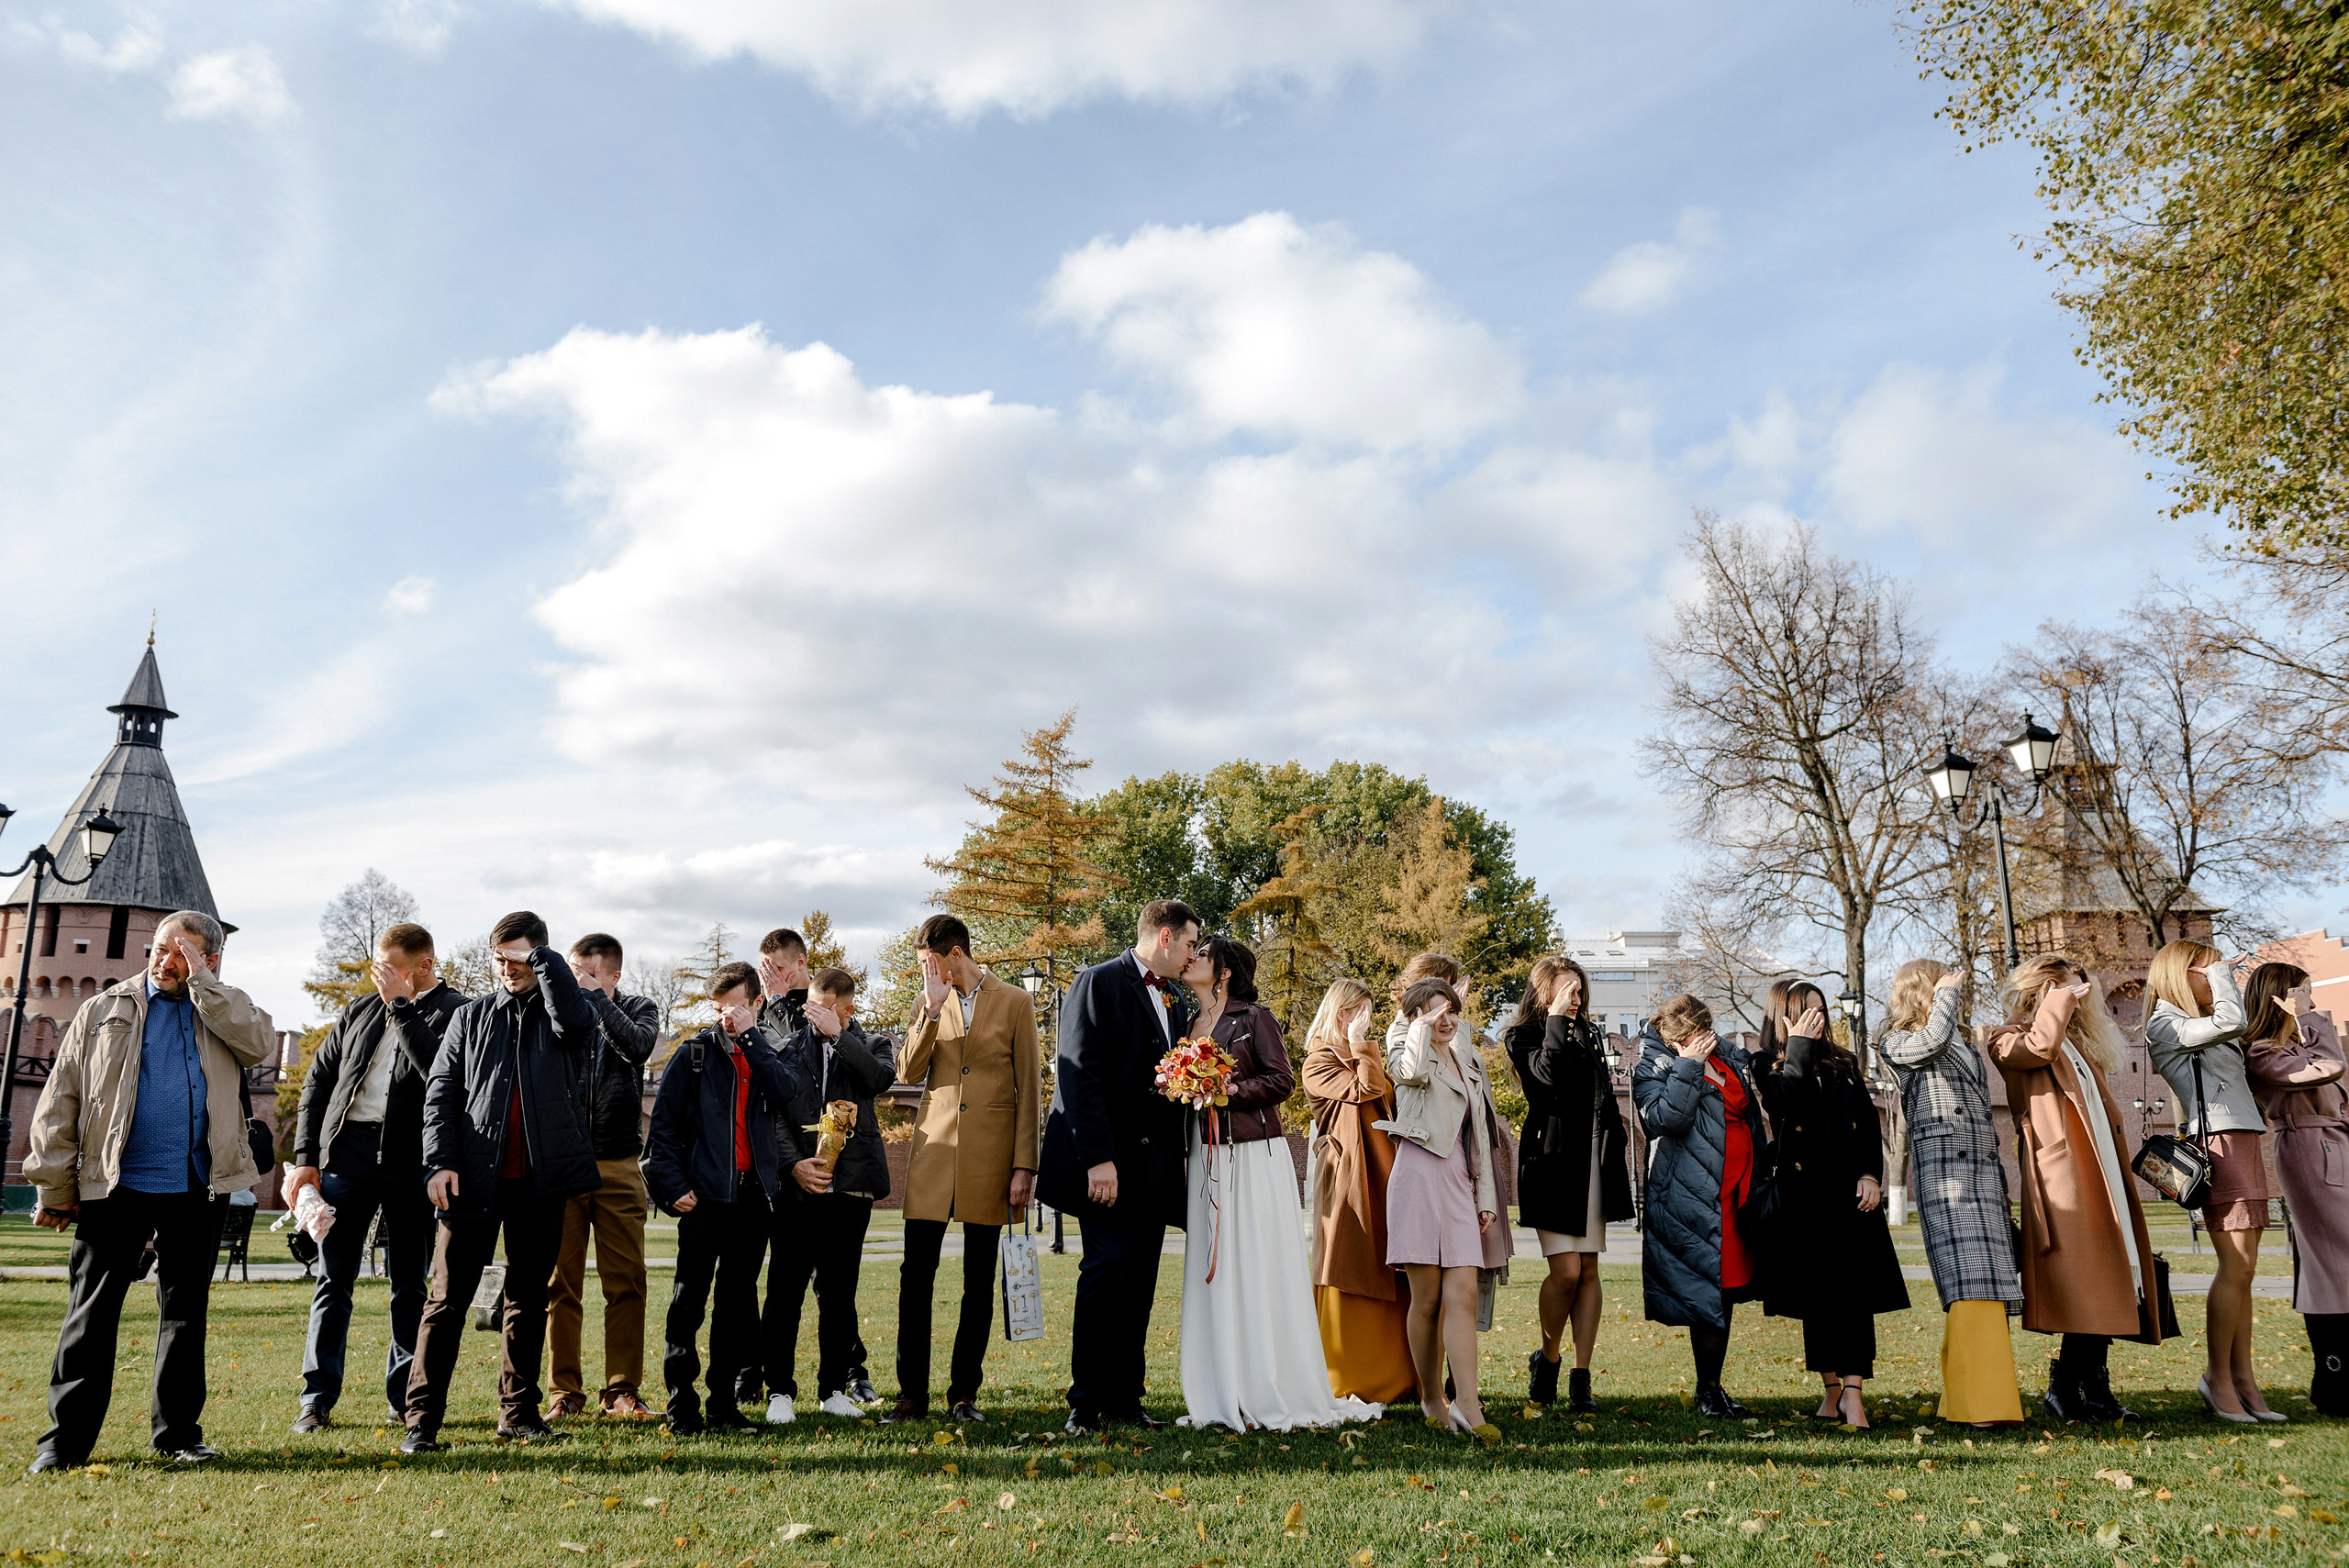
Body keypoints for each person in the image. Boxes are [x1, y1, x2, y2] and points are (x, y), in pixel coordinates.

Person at [23, 912, 275, 1472]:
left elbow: (259, 1044)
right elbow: (62, 1100)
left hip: (198, 1185)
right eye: (161, 948)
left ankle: (178, 1435)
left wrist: (205, 986)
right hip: (115, 1184)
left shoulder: (224, 1010)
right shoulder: (102, 1009)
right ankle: (64, 1443)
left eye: (183, 953)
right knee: (90, 1314)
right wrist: (54, 1185)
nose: (167, 961)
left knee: (185, 1314)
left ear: (210, 960)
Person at [399, 911, 600, 1453]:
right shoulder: (470, 1017)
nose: (508, 968)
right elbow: (441, 1091)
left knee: (528, 1300)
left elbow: (575, 1021)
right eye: (499, 959)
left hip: (542, 1182)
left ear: (542, 957)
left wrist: (543, 962)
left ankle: (518, 1415)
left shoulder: (566, 1013)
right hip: (470, 1179)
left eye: (519, 958)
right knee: (445, 1301)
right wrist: (439, 1162)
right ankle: (421, 1423)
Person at [1174, 938, 1372, 1430]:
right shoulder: (1186, 1022)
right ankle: (1219, 1388)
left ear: (1223, 972)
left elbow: (1282, 1080)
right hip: (1205, 1154)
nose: (1191, 958)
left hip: (1253, 1154)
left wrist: (1227, 1088)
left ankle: (1268, 1381)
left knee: (1255, 1261)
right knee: (1214, 1265)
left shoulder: (1254, 1018)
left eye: (1202, 954)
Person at [284, 921, 469, 1434]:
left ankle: (406, 1398)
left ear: (424, 967)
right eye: (377, 968)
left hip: (413, 1160)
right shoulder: (359, 1010)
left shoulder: (459, 1013)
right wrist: (307, 1157)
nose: (379, 978)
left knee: (409, 1284)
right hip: (349, 1155)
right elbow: (318, 1083)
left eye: (391, 970)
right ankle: (316, 1399)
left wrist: (402, 1007)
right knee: (332, 1279)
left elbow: (444, 1077)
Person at [1040, 899, 1199, 1432]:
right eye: (1189, 943)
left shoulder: (1174, 998)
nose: (1192, 954)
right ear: (1164, 937)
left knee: (1139, 1283)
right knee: (1104, 1273)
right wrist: (1099, 1160)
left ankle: (1126, 1400)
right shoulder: (1096, 982)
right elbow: (1077, 1075)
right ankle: (1084, 1404)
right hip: (1106, 1168)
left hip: (1153, 1172)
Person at [1989, 955, 2166, 1423]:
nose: (2083, 996)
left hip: (2101, 1166)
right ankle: (2070, 1388)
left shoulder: (2077, 1044)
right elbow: (2038, 1048)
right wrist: (2059, 1001)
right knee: (2088, 1277)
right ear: (2046, 988)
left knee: (2107, 1274)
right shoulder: (2007, 1037)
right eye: (2074, 987)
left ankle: (2085, 1389)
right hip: (2064, 1177)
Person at [888, 914, 1041, 1424]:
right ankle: (911, 1394)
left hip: (991, 1160)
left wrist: (1025, 1165)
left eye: (929, 963)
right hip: (933, 1158)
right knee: (916, 1276)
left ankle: (963, 1395)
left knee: (979, 1281)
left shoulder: (1016, 1002)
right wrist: (931, 1010)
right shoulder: (928, 1001)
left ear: (955, 954)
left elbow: (1030, 1088)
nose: (925, 973)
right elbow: (908, 1071)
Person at [642, 962, 800, 1435]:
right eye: (718, 1010)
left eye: (735, 1008)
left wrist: (752, 1039)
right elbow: (662, 1131)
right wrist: (672, 1187)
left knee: (734, 1308)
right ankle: (681, 1406)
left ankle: (723, 1406)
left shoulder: (770, 1052)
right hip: (703, 1200)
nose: (725, 1018)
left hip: (753, 1202)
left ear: (757, 1003)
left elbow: (787, 1092)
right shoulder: (692, 1055)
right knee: (688, 1303)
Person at [1752, 979, 1909, 1430]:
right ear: (1784, 1016)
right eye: (1807, 1010)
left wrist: (1871, 1174)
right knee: (1818, 1299)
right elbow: (1786, 1102)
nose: (1818, 1018)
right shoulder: (1765, 1064)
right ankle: (1832, 1389)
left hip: (1850, 1195)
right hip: (1803, 1201)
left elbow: (1866, 1123)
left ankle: (1854, 1394)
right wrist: (1798, 1046)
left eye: (1821, 1010)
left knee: (1855, 1296)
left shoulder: (1844, 1062)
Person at [1879, 959, 2024, 1427]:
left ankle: (1976, 1399)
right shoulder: (1895, 1040)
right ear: (1923, 989)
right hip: (1948, 1179)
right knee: (1968, 1284)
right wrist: (1945, 995)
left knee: (1989, 1287)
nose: (1953, 987)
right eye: (1941, 982)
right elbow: (1930, 1042)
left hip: (1983, 1175)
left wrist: (2001, 1184)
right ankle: (1980, 1404)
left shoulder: (1962, 1041)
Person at [752, 965, 896, 1423]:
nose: (811, 1015)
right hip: (797, 1189)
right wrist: (792, 1164)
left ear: (846, 1009)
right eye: (810, 1007)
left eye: (823, 1009)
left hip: (850, 1189)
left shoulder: (872, 1045)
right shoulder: (786, 1049)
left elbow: (879, 1080)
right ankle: (779, 1391)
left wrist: (840, 1036)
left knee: (839, 1293)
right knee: (784, 1292)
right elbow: (772, 1112)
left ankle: (833, 1389)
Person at [2143, 939, 2274, 1420]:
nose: (2220, 979)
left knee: (2246, 1269)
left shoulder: (2195, 1021)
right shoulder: (2165, 1023)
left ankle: (2244, 1380)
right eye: (2210, 971)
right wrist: (2221, 972)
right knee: (2235, 1266)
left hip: (2242, 1136)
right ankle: (2218, 1377)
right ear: (2183, 974)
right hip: (2215, 1141)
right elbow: (2232, 1021)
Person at [1379, 974, 1513, 1440]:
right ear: (1416, 1016)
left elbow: (1480, 1132)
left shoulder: (1466, 1057)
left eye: (1452, 1010)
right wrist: (1420, 1025)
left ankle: (1468, 1403)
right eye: (1436, 1012)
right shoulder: (1403, 1046)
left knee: (1463, 1293)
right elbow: (1409, 1072)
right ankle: (1431, 1397)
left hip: (1459, 1181)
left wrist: (1487, 1198)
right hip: (1417, 1177)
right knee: (1428, 1298)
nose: (1447, 1019)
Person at [1503, 955, 1632, 1413]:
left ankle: (1581, 1377)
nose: (1575, 998)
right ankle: (1549, 1358)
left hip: (1595, 1162)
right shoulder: (1521, 1036)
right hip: (1553, 1164)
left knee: (1590, 1270)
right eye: (1566, 990)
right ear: (1544, 993)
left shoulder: (1588, 1034)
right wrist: (1557, 1020)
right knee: (1567, 1273)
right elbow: (1546, 1079)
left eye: (1579, 991)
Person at [543, 932, 662, 1422]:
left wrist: (597, 999)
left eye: (589, 973)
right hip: (565, 1162)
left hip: (618, 1161)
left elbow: (637, 1048)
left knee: (627, 1281)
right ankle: (563, 1393)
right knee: (559, 1284)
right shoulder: (554, 1011)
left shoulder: (639, 1008)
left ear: (614, 974)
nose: (577, 981)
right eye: (574, 971)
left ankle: (621, 1391)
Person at [1631, 992, 1765, 1419]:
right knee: (1707, 1289)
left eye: (1707, 1028)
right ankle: (1707, 1390)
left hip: (1737, 1194)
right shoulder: (1656, 1066)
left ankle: (1714, 1385)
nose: (1705, 1037)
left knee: (1725, 1291)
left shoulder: (1728, 1059)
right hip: (1695, 1197)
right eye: (1695, 1033)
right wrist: (1688, 1065)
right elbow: (1663, 1120)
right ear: (1676, 1039)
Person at [1302, 977, 1418, 1406]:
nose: (1368, 1021)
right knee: (1350, 1261)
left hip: (1384, 1172)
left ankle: (1399, 1376)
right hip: (1348, 1177)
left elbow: (1386, 1095)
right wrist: (1358, 1044)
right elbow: (1364, 1088)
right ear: (1342, 1013)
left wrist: (1361, 1048)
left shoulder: (1362, 1053)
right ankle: (1350, 1377)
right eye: (1362, 1012)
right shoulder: (1319, 1060)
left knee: (1390, 1263)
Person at [2241, 963, 2349, 1417]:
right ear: (2281, 998)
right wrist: (2308, 1016)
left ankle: (2334, 1381)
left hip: (2332, 1145)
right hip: (2310, 1150)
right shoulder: (2264, 1051)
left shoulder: (2296, 1044)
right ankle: (2336, 1380)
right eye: (2303, 993)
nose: (2311, 1000)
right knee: (2332, 1263)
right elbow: (2330, 1068)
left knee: (2333, 1263)